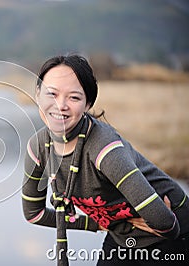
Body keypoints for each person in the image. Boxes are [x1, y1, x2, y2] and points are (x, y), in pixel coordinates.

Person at [22, 54, 189, 265]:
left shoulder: (104, 149)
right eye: (51, 94)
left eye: (73, 97)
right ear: (38, 94)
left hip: (172, 234)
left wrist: (166, 226)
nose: (60, 105)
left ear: (87, 103)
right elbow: (33, 214)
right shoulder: (38, 148)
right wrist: (95, 224)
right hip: (120, 235)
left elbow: (164, 221)